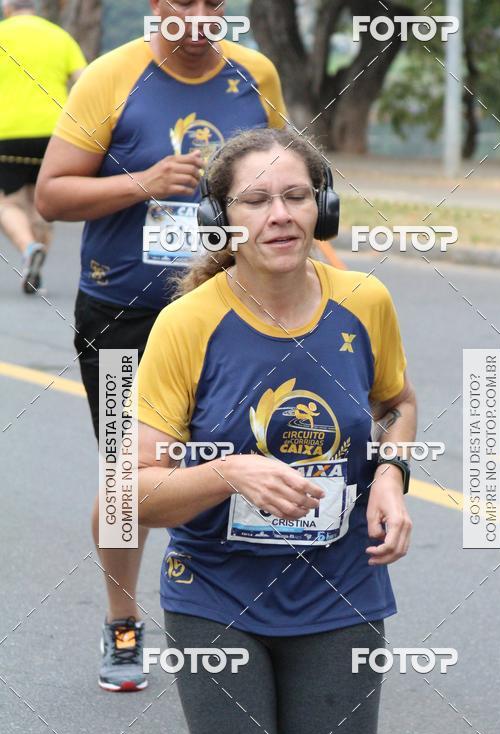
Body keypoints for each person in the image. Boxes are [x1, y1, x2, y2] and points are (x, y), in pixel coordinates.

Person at [134, 127, 416, 734]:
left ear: (320, 208)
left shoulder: (365, 302)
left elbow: (397, 404)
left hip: (339, 593)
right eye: (255, 200)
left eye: (296, 196)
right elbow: (135, 490)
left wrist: (391, 472)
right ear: (222, 221)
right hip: (217, 597)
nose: (279, 214)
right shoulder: (187, 325)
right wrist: (227, 471)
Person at [35, 0, 288, 692]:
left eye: (215, 3)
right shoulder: (111, 79)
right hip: (126, 315)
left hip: (232, 312)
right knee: (131, 481)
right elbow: (51, 196)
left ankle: (234, 619)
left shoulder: (255, 74)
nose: (201, 15)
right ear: (156, 7)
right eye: (185, 2)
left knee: (238, 461)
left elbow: (291, 185)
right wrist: (143, 184)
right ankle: (123, 620)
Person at [0, 0, 85, 293]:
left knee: (7, 203)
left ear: (7, 9)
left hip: (7, 134)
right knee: (42, 204)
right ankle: (36, 269)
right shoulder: (58, 36)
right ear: (33, 8)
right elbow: (83, 82)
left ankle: (29, 248)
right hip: (55, 133)